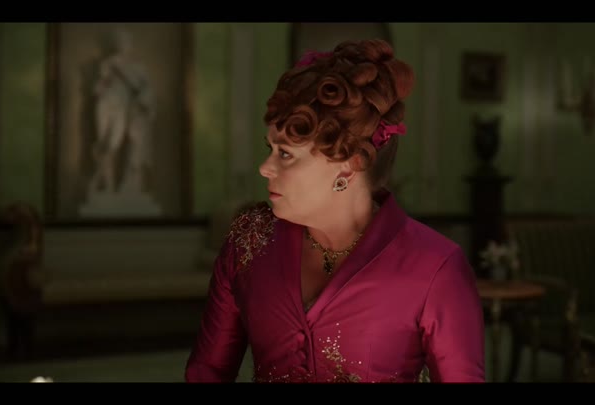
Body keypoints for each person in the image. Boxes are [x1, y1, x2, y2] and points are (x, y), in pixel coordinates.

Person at [185, 39, 485, 383]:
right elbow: (206, 373)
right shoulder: (248, 241)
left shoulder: (435, 266)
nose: (265, 168)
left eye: (285, 154)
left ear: (348, 164)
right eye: (270, 149)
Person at [88, 29, 155, 195]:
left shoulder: (137, 68)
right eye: (119, 41)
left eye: (125, 41)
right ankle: (105, 183)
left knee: (118, 143)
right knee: (106, 143)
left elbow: (146, 92)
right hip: (107, 107)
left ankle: (117, 183)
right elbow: (97, 90)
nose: (121, 44)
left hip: (126, 111)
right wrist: (103, 79)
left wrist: (142, 103)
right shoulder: (106, 65)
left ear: (129, 45)